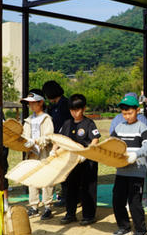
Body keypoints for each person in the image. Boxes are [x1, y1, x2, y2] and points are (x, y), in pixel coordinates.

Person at [51, 94, 101, 226]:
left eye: (77, 110)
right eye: (72, 110)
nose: (74, 113)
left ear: (84, 109)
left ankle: (88, 215)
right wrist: (53, 150)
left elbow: (95, 139)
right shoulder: (67, 123)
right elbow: (60, 138)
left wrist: (88, 151)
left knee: (87, 188)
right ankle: (70, 214)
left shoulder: (89, 123)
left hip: (87, 161)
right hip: (71, 161)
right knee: (70, 187)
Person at [110, 95, 147, 235]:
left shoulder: (142, 126)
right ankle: (124, 227)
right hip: (121, 170)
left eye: (130, 113)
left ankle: (141, 231)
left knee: (135, 202)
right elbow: (112, 144)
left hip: (137, 170)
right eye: (124, 113)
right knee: (117, 200)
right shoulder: (119, 127)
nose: (127, 116)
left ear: (138, 110)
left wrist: (136, 154)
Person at [20, 89, 55, 220]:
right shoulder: (28, 120)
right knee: (31, 180)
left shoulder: (47, 119)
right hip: (32, 154)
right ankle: (34, 207)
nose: (31, 105)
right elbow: (24, 136)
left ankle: (48, 206)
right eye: (29, 103)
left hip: (44, 153)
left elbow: (48, 137)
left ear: (41, 102)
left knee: (47, 180)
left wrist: (34, 141)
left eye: (33, 103)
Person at [42, 80, 72, 207]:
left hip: (65, 141)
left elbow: (67, 123)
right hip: (57, 141)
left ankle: (69, 197)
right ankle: (65, 196)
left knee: (66, 171)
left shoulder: (64, 104)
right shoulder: (55, 106)